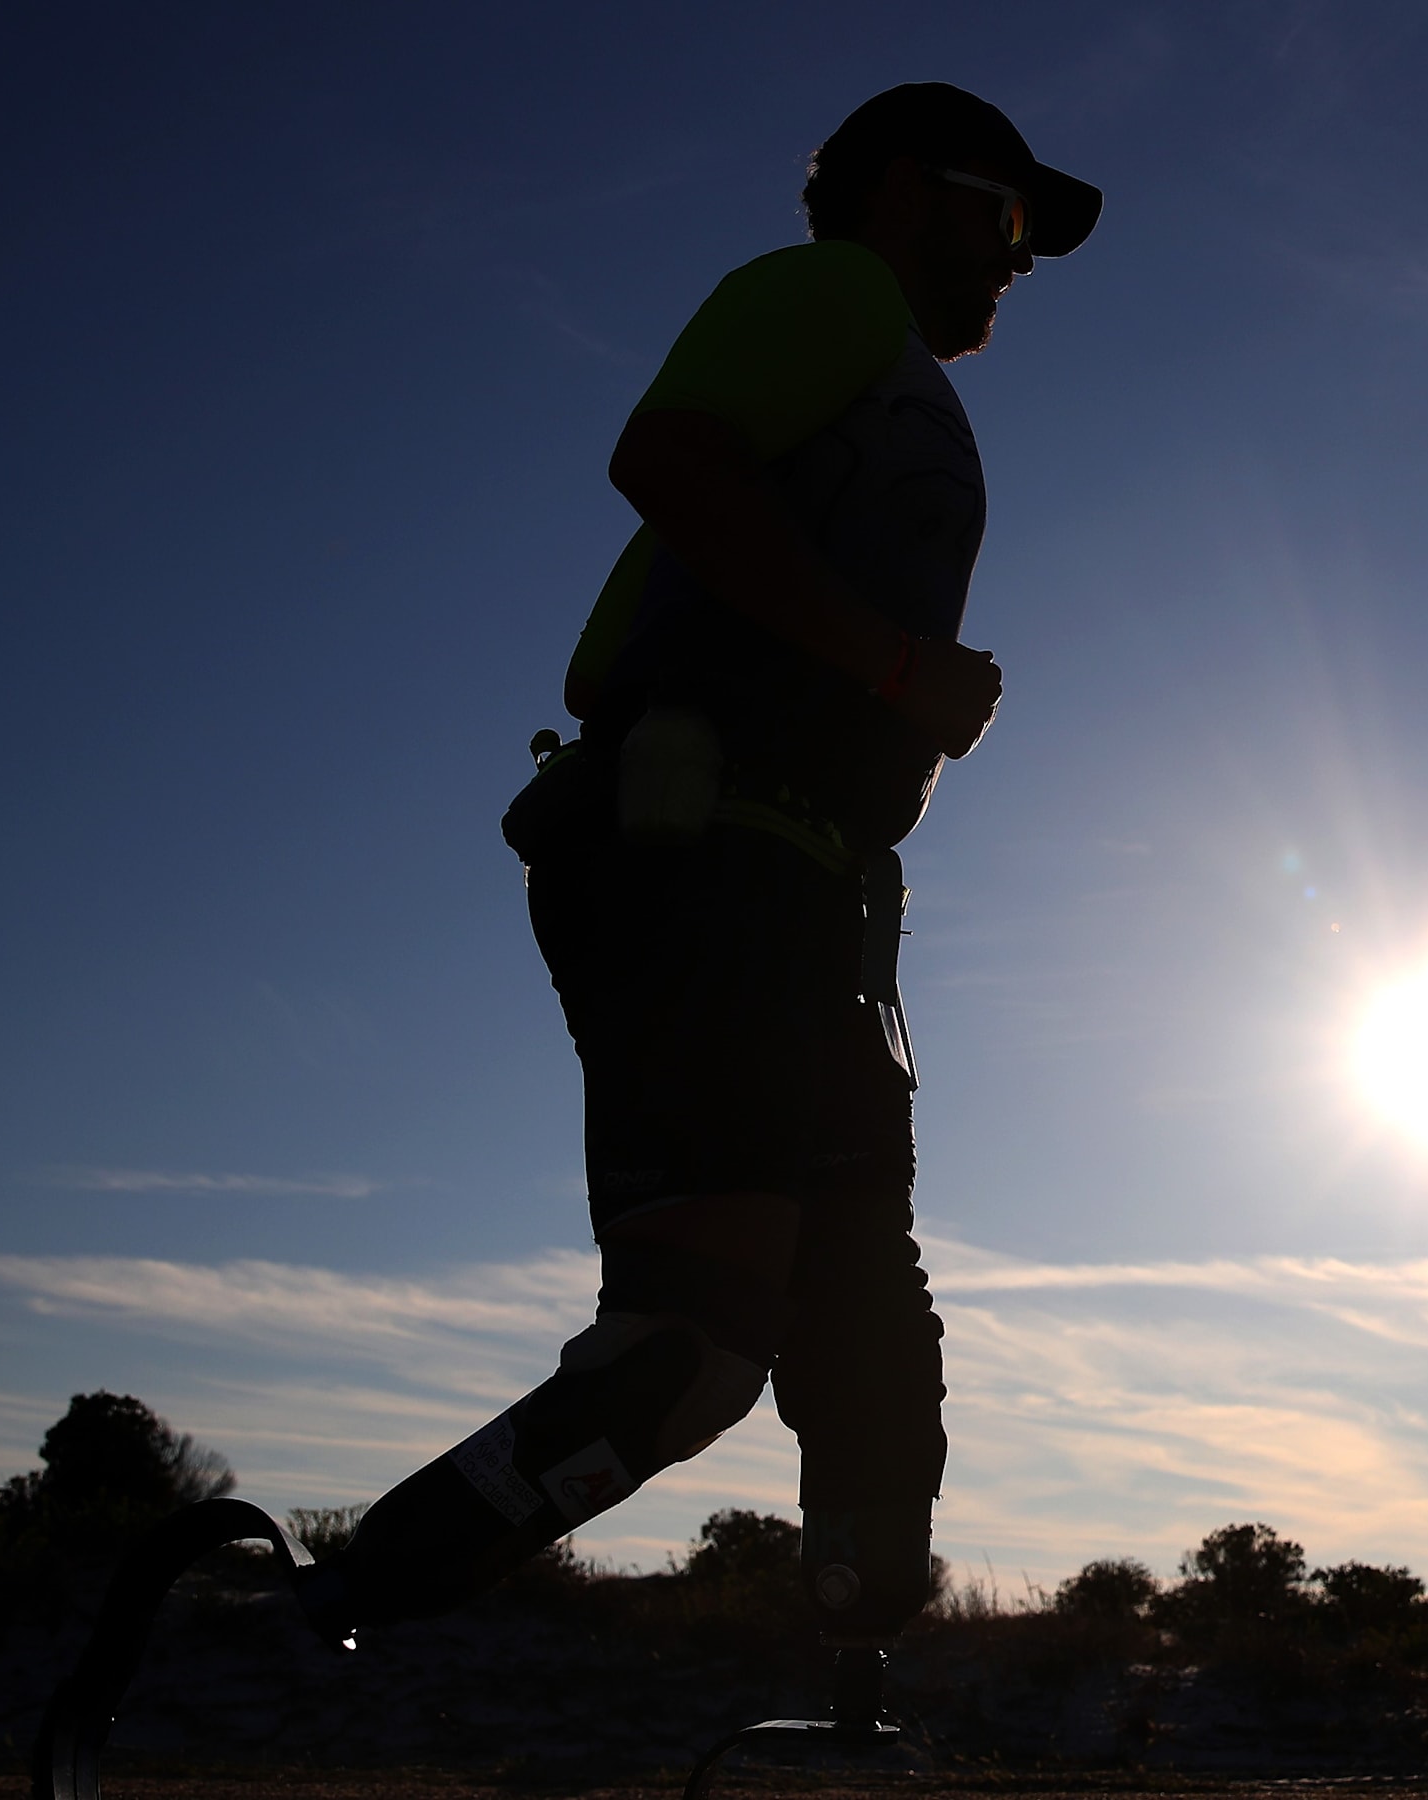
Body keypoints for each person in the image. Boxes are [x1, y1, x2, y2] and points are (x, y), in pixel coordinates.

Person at [294, 85, 1100, 1656]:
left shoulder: (895, 378)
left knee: (866, 1332)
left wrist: (907, 720)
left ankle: (862, 1693)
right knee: (697, 1341)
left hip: (816, 899)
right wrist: (891, 668)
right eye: (1000, 217)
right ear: (895, 193)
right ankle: (307, 1625)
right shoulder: (828, 291)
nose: (1017, 260)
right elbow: (670, 457)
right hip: (701, 851)